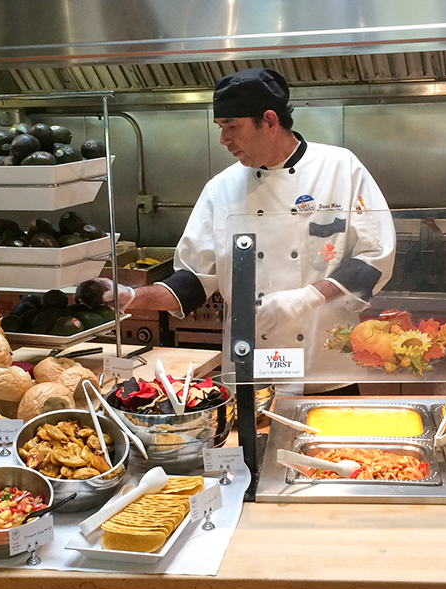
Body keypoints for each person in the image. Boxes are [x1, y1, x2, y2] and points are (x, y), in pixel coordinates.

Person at [86, 68, 395, 379]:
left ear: (270, 122)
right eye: (220, 127)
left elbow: (374, 257)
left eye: (232, 127)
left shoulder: (341, 169)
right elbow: (193, 280)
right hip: (253, 368)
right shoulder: (220, 189)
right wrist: (132, 296)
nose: (223, 140)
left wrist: (307, 297)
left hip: (328, 366)